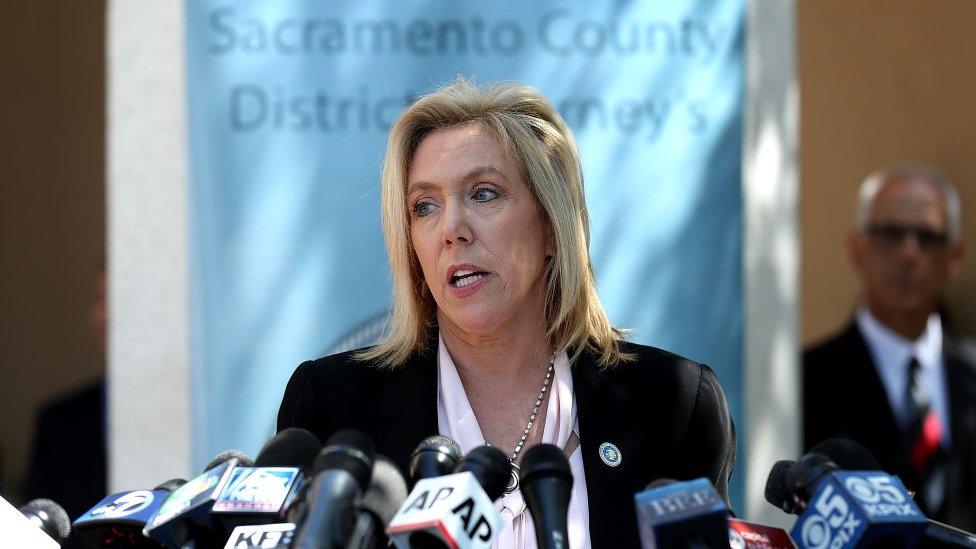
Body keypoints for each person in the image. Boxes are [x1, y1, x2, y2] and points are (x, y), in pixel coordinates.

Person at [278, 80, 735, 548]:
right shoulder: (333, 407)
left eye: (484, 194)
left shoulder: (673, 404)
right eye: (425, 206)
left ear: (553, 227)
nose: (451, 230)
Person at [803, 164, 976, 530]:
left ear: (954, 257)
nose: (909, 254)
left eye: (927, 237)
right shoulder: (807, 381)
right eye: (890, 235)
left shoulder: (971, 373)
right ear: (856, 249)